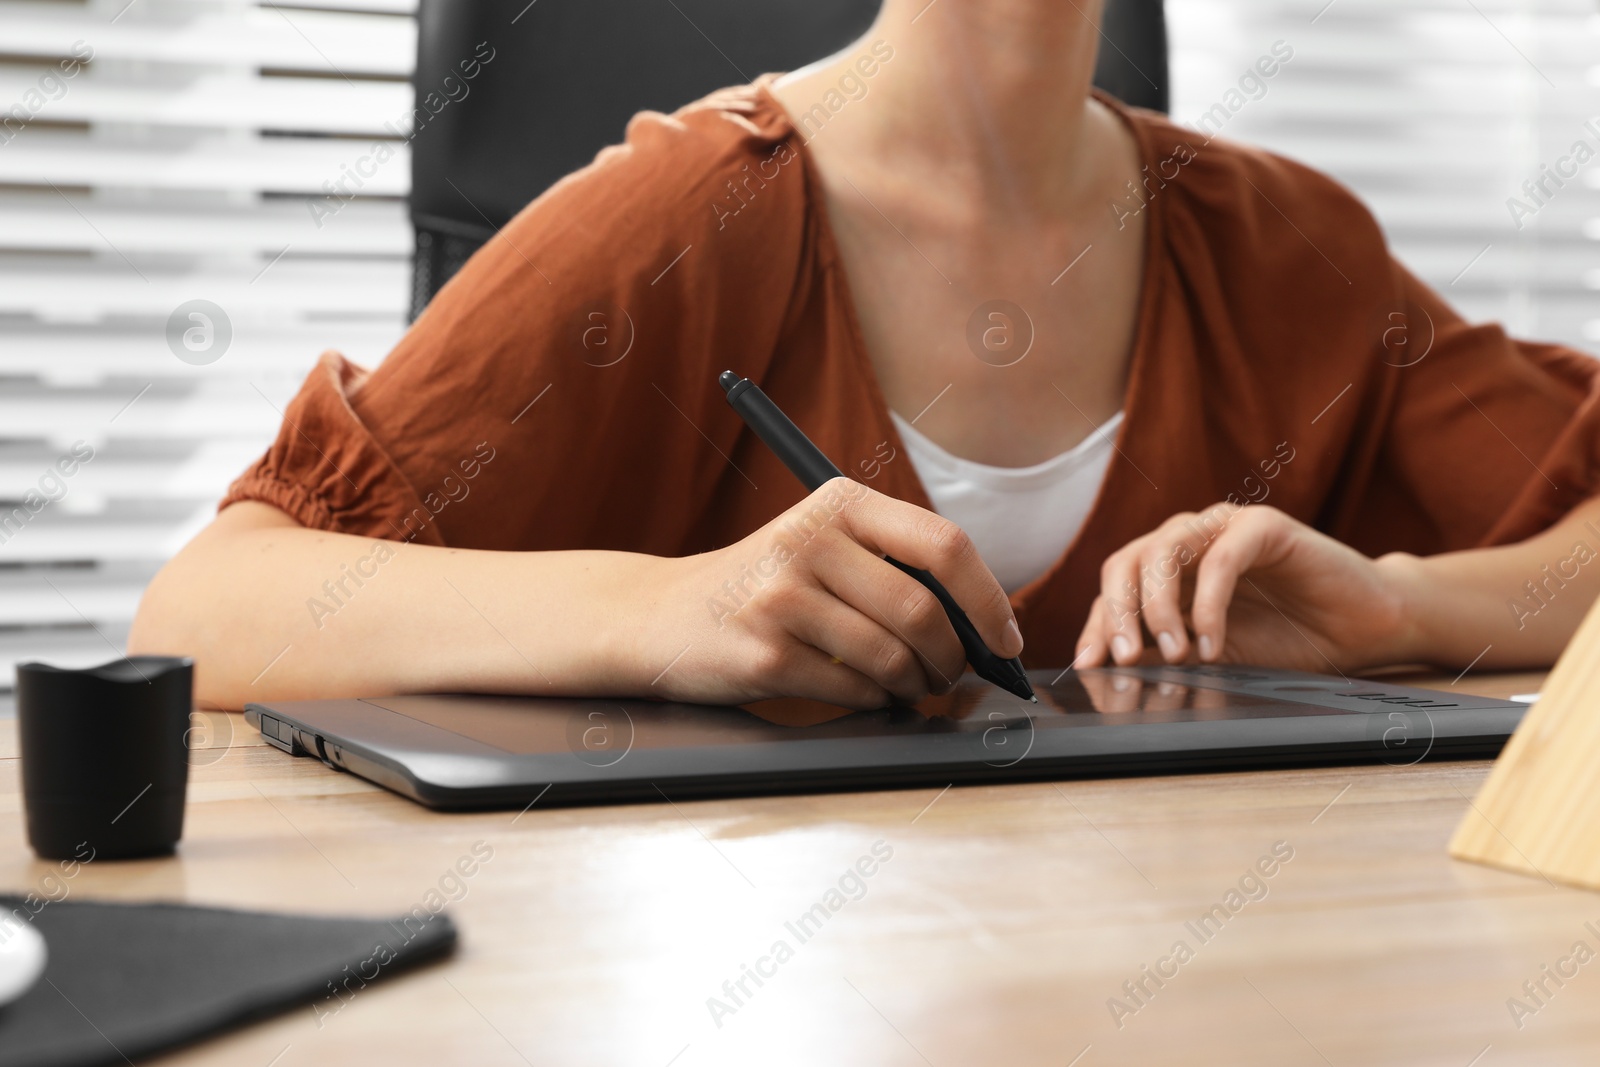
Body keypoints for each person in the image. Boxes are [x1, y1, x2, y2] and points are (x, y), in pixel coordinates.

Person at [128, 0, 1600, 712]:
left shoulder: (1283, 244)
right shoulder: (679, 222)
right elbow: (207, 608)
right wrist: (672, 613)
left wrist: (1391, 609)